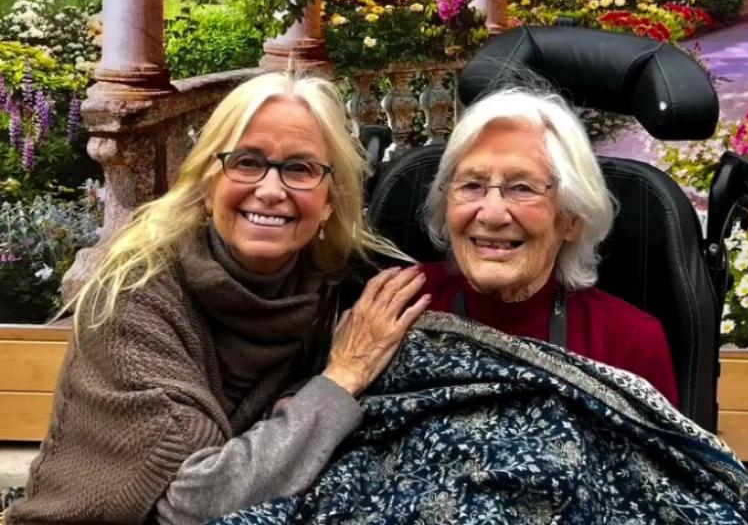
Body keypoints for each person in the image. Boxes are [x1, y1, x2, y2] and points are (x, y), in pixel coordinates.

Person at [5, 72, 431, 525]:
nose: (271, 191)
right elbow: (196, 502)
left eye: (301, 169)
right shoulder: (135, 294)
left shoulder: (334, 290)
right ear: (208, 184)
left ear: (330, 200)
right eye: (246, 162)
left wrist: (302, 397)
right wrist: (340, 379)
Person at [419, 87, 679, 406]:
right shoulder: (398, 308)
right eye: (472, 185)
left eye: (522, 188)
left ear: (571, 219)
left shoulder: (629, 342)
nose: (492, 214)